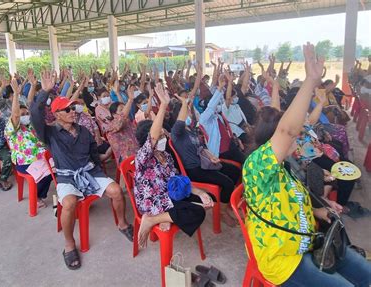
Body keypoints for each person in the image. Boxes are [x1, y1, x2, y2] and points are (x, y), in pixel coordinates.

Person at [243, 43, 371, 287]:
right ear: (275, 140)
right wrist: (311, 80)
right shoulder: (256, 166)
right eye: (293, 137)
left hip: (308, 239)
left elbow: (288, 202)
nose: (298, 137)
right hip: (282, 258)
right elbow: (287, 128)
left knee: (365, 275)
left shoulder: (283, 168)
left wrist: (318, 210)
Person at [30, 69, 133, 270]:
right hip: (67, 177)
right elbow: (35, 114)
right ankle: (69, 245)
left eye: (73, 109)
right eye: (67, 110)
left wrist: (100, 162)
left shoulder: (84, 131)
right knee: (68, 203)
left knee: (116, 190)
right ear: (57, 114)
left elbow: (93, 153)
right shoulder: (49, 133)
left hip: (90, 171)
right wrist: (44, 91)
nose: (72, 112)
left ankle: (122, 224)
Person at [134, 82, 214, 248]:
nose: (164, 138)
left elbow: (178, 180)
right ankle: (152, 219)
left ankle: (167, 216)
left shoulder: (165, 155)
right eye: (161, 135)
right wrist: (163, 105)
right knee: (196, 211)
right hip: (154, 201)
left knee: (207, 200)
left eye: (164, 134)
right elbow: (153, 137)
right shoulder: (143, 157)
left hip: (171, 195)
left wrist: (199, 192)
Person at [171, 93, 241, 227]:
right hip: (194, 170)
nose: (190, 114)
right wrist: (184, 104)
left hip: (204, 163)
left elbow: (201, 146)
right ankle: (221, 213)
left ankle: (225, 203)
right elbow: (180, 121)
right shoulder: (177, 133)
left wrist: (211, 156)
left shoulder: (190, 130)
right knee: (227, 183)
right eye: (187, 112)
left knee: (234, 171)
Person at [5, 78, 52, 208]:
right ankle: (36, 196)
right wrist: (16, 94)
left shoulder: (31, 126)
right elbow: (15, 116)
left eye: (26, 113)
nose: (25, 115)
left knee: (59, 166)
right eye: (22, 114)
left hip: (42, 158)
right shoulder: (13, 129)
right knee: (48, 172)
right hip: (25, 162)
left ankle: (45, 193)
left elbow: (31, 103)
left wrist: (33, 85)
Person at [104, 85, 139, 164]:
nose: (125, 111)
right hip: (126, 158)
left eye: (125, 109)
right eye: (121, 110)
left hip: (137, 153)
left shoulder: (128, 122)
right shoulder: (112, 125)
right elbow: (122, 116)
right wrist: (130, 100)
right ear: (114, 114)